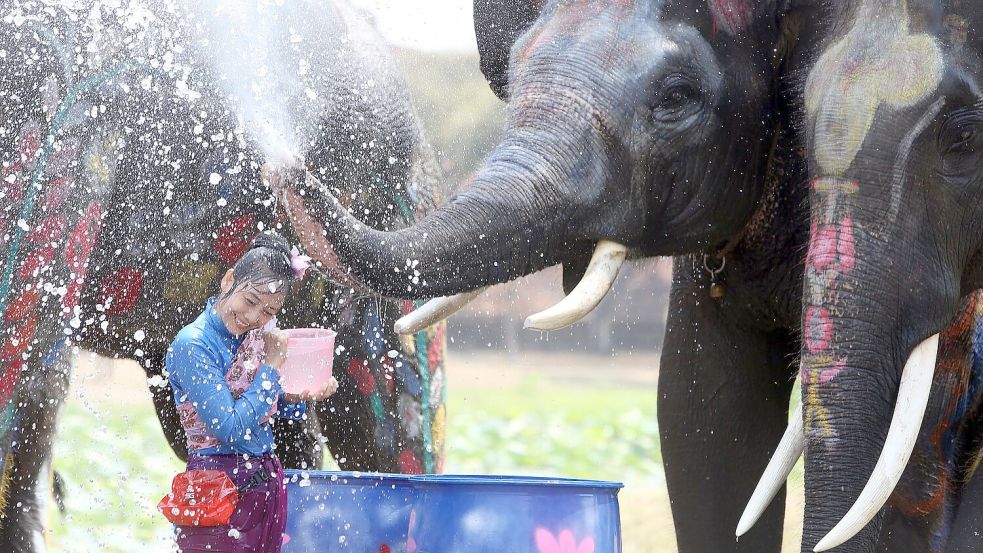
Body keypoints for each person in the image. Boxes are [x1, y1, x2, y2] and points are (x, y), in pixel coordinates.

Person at [165, 232, 338, 553]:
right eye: (250, 301)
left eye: (269, 311)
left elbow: (265, 410)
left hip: (264, 481)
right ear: (229, 280)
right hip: (214, 487)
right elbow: (229, 428)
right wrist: (272, 368)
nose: (253, 317)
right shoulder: (194, 345)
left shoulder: (259, 337)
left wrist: (298, 397)